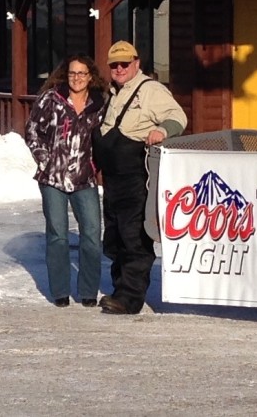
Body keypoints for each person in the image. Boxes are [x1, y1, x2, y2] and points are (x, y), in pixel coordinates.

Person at [93, 40, 187, 315]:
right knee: (114, 238)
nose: (119, 69)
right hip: (112, 180)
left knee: (134, 238)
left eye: (125, 63)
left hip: (136, 178)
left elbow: (178, 116)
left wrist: (162, 130)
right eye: (114, 65)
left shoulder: (150, 90)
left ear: (137, 63)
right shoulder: (114, 93)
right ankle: (119, 288)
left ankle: (129, 298)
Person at [24, 54, 105, 307]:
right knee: (58, 234)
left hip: (84, 178)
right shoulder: (52, 99)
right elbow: (32, 130)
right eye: (72, 73)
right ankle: (60, 290)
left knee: (92, 232)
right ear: (65, 75)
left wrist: (96, 163)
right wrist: (44, 158)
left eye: (82, 73)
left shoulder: (99, 103)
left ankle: (88, 291)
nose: (77, 78)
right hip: (53, 177)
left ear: (90, 76)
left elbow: (105, 137)